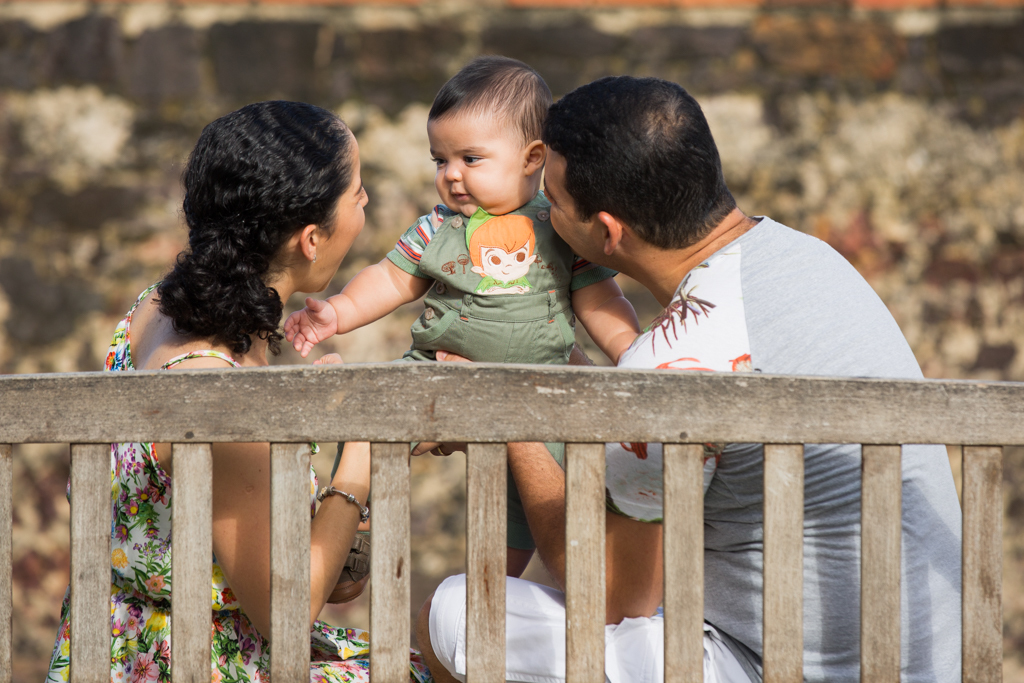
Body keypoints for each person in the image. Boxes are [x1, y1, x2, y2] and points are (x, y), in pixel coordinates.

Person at [418, 77, 963, 683]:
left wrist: (509, 419)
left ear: (607, 232)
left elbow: (613, 596)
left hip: (770, 665)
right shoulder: (806, 256)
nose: (541, 216)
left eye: (552, 204)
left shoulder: (671, 365)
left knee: (452, 615)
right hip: (922, 660)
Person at [45, 101, 432, 683]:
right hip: (195, 660)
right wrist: (361, 456)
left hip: (123, 639)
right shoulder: (217, 393)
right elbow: (287, 611)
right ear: (309, 239)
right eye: (357, 193)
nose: (366, 204)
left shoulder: (161, 302)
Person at [284, 57, 640, 564]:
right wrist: (337, 312)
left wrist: (632, 352)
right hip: (437, 372)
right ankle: (354, 527)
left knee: (543, 501)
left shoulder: (559, 227)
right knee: (368, 420)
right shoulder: (438, 227)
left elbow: (600, 298)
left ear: (531, 156)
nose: (451, 176)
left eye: (471, 159)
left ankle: (506, 586)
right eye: (440, 160)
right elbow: (390, 278)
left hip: (541, 389)